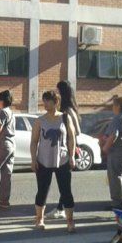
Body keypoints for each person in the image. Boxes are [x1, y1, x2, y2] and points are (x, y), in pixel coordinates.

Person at [31, 90, 77, 232]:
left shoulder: (65, 118)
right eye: (43, 100)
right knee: (42, 191)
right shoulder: (40, 120)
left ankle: (70, 222)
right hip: (43, 160)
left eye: (47, 100)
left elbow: (71, 137)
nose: (44, 103)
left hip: (62, 159)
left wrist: (72, 156)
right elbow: (34, 141)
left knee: (66, 191)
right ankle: (39, 220)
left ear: (56, 102)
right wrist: (33, 159)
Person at [48, 80, 81, 219]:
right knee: (64, 182)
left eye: (58, 91)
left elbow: (77, 131)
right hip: (64, 149)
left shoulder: (68, 111)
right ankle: (61, 208)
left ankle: (62, 209)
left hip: (67, 149)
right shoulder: (69, 108)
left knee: (64, 182)